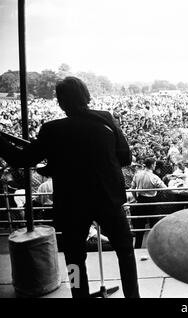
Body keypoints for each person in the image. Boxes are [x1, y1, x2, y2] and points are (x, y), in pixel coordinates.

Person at [0, 77, 140, 298]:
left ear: (61, 102)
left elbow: (21, 159)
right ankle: (133, 296)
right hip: (108, 198)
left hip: (72, 203)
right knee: (125, 251)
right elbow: (125, 158)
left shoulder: (52, 130)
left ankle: (79, 295)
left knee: (74, 259)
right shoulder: (106, 119)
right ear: (86, 95)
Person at [130, 157, 167, 248]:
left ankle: (137, 247)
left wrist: (136, 198)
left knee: (140, 226)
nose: (155, 166)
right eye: (154, 164)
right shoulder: (154, 177)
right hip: (151, 202)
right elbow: (165, 188)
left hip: (140, 200)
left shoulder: (137, 174)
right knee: (154, 226)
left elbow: (132, 188)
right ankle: (155, 247)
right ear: (152, 165)